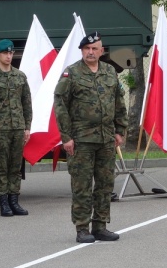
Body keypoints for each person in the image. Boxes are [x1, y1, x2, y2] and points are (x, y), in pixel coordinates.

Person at [54, 33, 128, 243]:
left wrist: (120, 130)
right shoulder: (72, 73)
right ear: (82, 50)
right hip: (81, 140)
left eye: (95, 48)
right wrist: (66, 137)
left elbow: (119, 103)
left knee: (105, 184)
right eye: (87, 48)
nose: (90, 52)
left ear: (101, 51)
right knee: (82, 185)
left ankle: (100, 226)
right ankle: (82, 228)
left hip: (106, 139)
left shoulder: (109, 71)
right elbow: (60, 106)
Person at [0, 39, 32, 217]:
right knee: (0, 167)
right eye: (5, 53)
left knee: (15, 166)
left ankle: (14, 201)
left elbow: (26, 104)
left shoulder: (20, 76)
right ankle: (3, 202)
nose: (8, 56)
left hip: (18, 128)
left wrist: (27, 126)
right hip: (0, 129)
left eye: (11, 53)